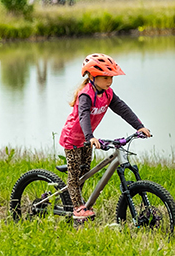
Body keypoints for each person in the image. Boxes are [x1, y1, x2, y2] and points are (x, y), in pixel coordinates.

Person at [58, 53, 151, 224]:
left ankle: (76, 201)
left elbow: (122, 109)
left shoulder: (108, 94)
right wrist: (90, 137)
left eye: (111, 78)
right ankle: (78, 207)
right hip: (72, 139)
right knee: (74, 174)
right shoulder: (85, 94)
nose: (109, 81)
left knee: (84, 173)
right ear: (93, 76)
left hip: (87, 139)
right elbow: (83, 116)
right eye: (105, 77)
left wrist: (139, 126)